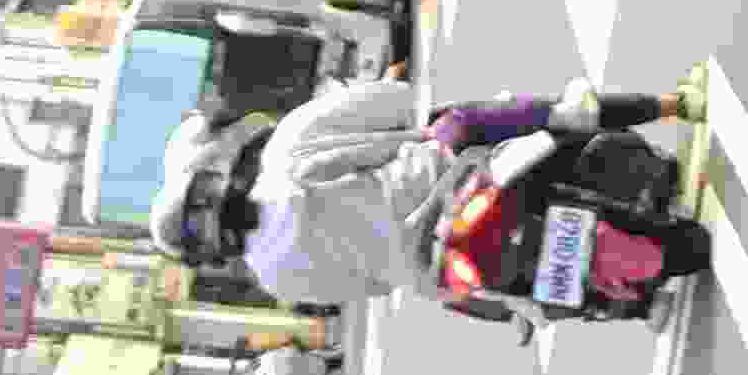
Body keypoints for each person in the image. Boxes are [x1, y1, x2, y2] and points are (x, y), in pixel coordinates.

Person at [149, 78, 710, 313]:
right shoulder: (285, 155)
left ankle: (622, 304)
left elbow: (368, 286)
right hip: (447, 179)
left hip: (433, 265)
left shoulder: (278, 283)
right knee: (520, 116)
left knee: (483, 293)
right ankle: (671, 104)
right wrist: (423, 127)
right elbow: (401, 108)